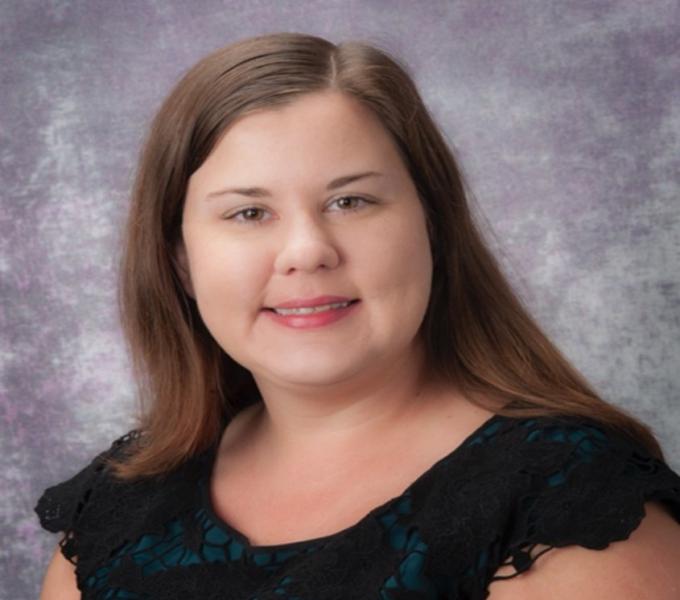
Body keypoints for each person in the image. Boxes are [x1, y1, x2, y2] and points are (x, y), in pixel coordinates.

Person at [35, 32, 680, 600]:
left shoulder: (572, 506)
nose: (308, 250)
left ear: (432, 224)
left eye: (350, 200)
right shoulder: (113, 510)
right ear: (180, 261)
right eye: (248, 213)